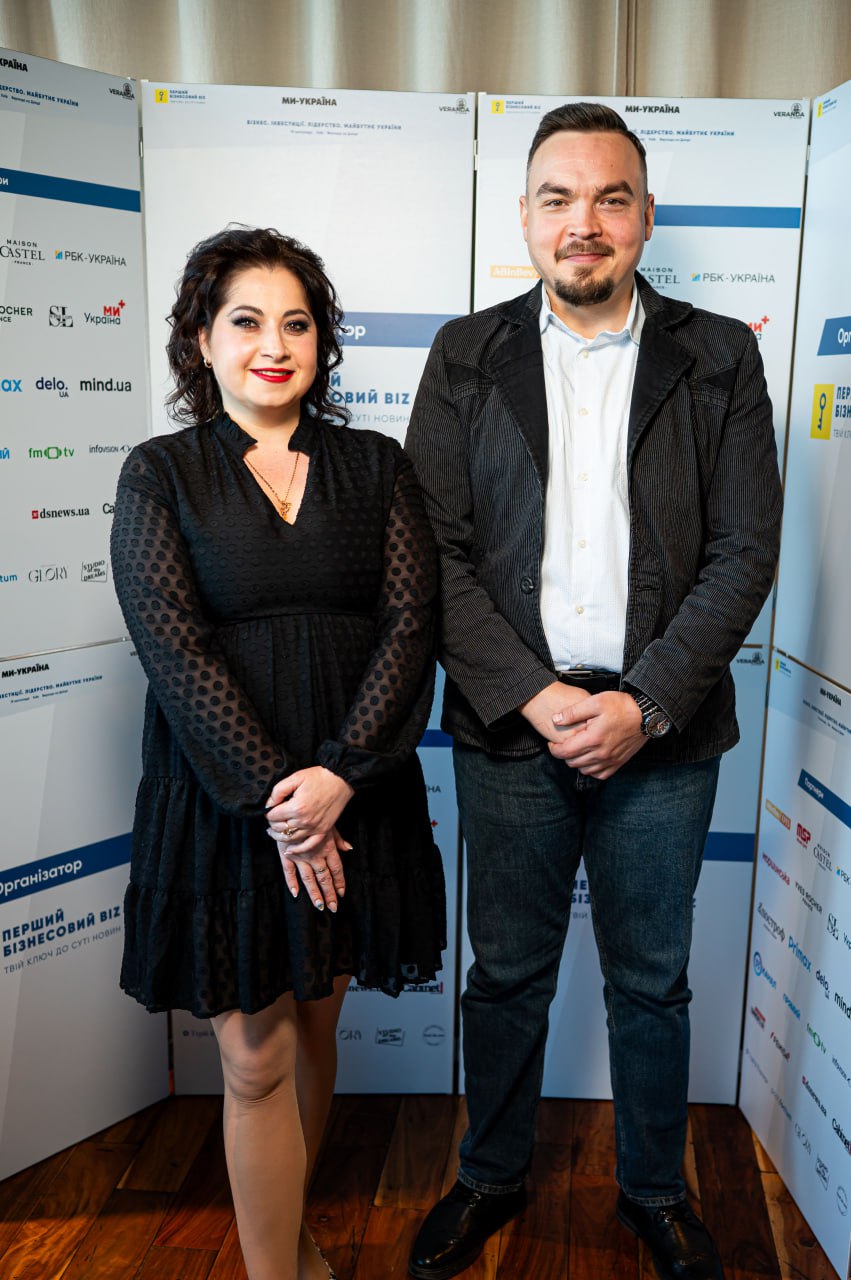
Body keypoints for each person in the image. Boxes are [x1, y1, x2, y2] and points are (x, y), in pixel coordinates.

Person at [405, 103, 782, 1280]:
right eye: (558, 198)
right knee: (505, 972)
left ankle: (655, 1193)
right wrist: (526, 692)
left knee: (649, 979)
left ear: (644, 217)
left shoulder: (718, 355)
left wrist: (643, 703)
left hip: (660, 734)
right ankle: (488, 1174)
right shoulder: (463, 354)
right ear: (524, 217)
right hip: (508, 728)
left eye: (610, 198)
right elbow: (430, 550)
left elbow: (743, 550)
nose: (584, 222)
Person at [110, 225, 445, 1280]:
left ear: (322, 342)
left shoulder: (376, 465)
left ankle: (293, 1231)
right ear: (200, 340)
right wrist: (278, 799)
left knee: (315, 1018)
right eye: (246, 321)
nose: (273, 344)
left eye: (296, 323)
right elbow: (170, 644)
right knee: (253, 1054)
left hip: (355, 790)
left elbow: (410, 625)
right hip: (226, 802)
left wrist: (339, 775)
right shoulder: (161, 472)